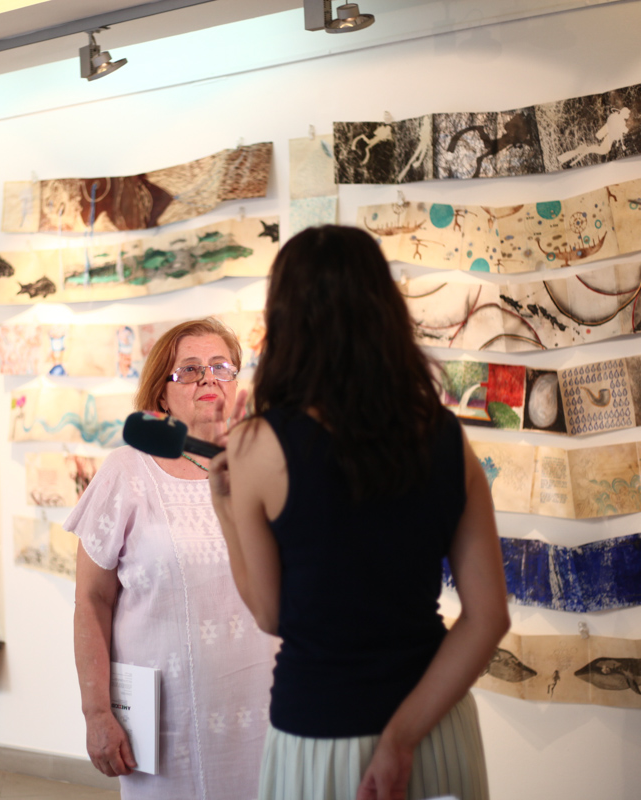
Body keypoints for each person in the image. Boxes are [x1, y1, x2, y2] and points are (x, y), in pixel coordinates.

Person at [209, 226, 510, 800]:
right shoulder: (446, 437)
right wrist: (400, 739)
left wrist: (225, 511)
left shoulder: (257, 445)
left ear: (286, 320)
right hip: (435, 731)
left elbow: (272, 615)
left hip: (319, 734)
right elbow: (488, 618)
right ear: (384, 312)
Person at [67, 318, 278, 799]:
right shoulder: (127, 471)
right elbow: (92, 601)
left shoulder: (266, 465)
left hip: (266, 708)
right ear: (161, 394)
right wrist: (97, 713)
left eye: (221, 367)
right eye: (190, 369)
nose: (208, 379)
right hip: (167, 723)